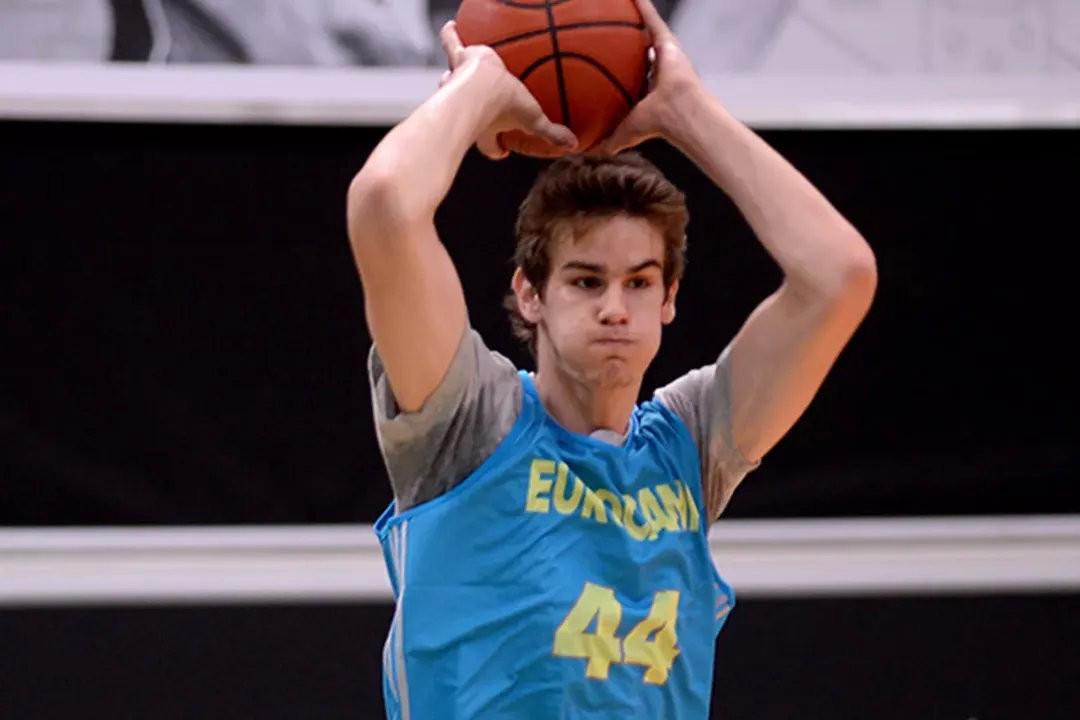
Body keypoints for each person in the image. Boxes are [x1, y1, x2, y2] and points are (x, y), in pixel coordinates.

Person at [346, 0, 876, 717]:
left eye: (639, 282)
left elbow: (841, 276)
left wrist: (688, 111)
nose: (615, 308)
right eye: (586, 281)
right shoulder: (470, 421)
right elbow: (384, 203)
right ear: (530, 294)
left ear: (669, 298)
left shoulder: (688, 446)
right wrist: (478, 87)